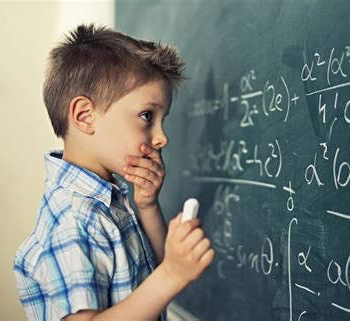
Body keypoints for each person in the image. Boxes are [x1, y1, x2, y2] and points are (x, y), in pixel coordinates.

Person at [12, 23, 214, 321]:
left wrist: (147, 206)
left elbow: (150, 272)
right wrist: (173, 274)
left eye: (162, 119)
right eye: (147, 116)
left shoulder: (107, 200)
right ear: (85, 116)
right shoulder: (73, 220)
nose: (162, 138)